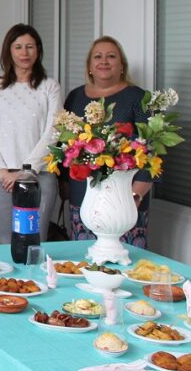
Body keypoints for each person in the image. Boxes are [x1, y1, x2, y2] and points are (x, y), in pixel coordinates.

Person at [63, 36, 151, 246]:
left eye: (111, 56)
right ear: (90, 66)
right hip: (83, 195)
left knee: (125, 262)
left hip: (126, 197)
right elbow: (65, 145)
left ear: (122, 66)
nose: (104, 61)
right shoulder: (75, 97)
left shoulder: (138, 97)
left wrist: (136, 196)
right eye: (98, 56)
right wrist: (63, 184)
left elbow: (151, 148)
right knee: (84, 260)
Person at [0, 24, 62, 244]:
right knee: (6, 241)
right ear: (9, 51)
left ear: (38, 50)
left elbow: (53, 132)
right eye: (18, 47)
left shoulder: (49, 86)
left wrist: (26, 171)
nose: (24, 53)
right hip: (1, 177)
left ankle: (36, 279)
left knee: (35, 239)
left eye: (29, 47)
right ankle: (9, 281)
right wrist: (3, 171)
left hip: (40, 175)